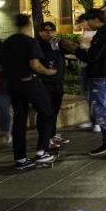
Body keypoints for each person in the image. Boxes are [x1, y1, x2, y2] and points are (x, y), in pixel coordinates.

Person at [61, 9, 106, 159]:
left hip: (102, 76)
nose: (87, 24)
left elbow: (92, 56)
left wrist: (74, 48)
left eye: (88, 21)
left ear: (96, 19)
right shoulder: (102, 33)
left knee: (100, 109)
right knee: (98, 109)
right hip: (98, 74)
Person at [0, 14, 59, 170]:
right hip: (29, 82)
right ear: (28, 25)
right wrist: (48, 72)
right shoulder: (30, 41)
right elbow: (35, 64)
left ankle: (20, 159)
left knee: (20, 119)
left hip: (13, 85)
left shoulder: (7, 42)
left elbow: (0, 66)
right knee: (47, 113)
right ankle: (41, 151)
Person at [37, 21, 69, 151]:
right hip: (44, 84)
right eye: (46, 30)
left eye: (51, 30)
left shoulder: (57, 44)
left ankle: (53, 135)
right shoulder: (37, 45)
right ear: (40, 32)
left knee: (54, 112)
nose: (49, 33)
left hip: (57, 83)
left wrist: (60, 44)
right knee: (45, 113)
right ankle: (45, 140)